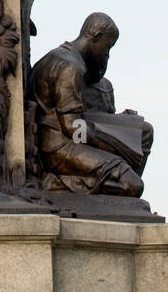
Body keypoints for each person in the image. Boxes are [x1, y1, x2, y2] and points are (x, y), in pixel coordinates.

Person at [29, 13, 153, 197]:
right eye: (107, 47)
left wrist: (119, 123)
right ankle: (58, 184)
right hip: (58, 147)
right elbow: (73, 128)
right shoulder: (70, 67)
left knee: (143, 131)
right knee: (132, 184)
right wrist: (118, 145)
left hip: (68, 140)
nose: (107, 54)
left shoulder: (64, 57)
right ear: (96, 37)